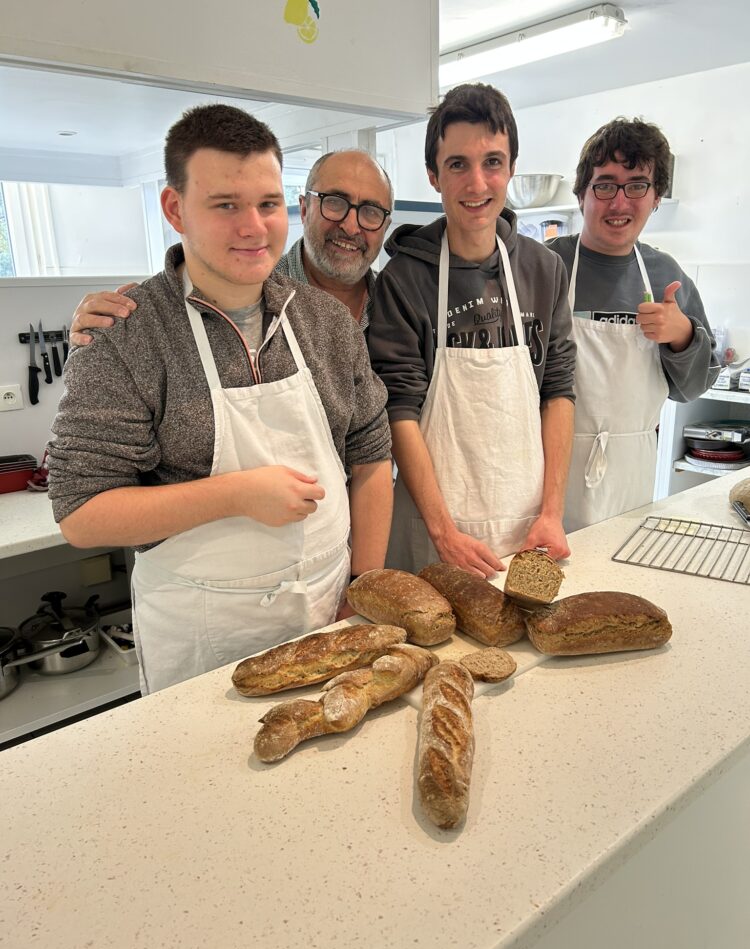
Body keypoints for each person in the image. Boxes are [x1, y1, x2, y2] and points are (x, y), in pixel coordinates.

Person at [48, 104, 393, 695]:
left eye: (267, 203)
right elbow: (82, 513)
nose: (253, 227)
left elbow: (370, 458)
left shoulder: (324, 322)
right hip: (202, 633)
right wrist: (235, 494)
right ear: (175, 208)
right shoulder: (128, 333)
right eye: (225, 205)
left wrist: (364, 588)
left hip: (328, 607)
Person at [367, 83, 577, 578]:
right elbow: (400, 410)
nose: (476, 183)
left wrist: (552, 512)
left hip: (529, 527)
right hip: (434, 530)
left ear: (510, 169)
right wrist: (443, 532)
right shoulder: (405, 279)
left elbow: (559, 390)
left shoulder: (543, 270)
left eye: (493, 162)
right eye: (458, 164)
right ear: (434, 176)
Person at [546, 117, 720, 531]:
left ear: (656, 196)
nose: (619, 203)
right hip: (547, 468)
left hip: (631, 476)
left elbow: (695, 386)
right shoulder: (546, 266)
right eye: (604, 185)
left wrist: (683, 336)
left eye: (637, 186)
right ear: (582, 194)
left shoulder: (665, 276)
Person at [68, 148, 393, 339]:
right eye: (335, 202)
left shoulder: (401, 309)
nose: (351, 225)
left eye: (371, 211)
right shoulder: (230, 293)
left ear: (385, 225)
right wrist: (104, 332)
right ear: (304, 208)